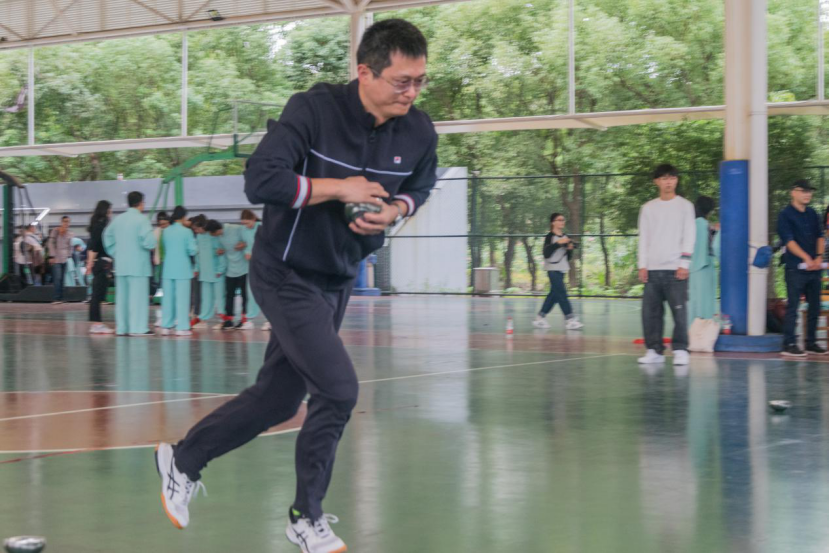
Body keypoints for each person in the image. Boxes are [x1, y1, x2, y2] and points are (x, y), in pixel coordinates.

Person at [155, 19, 438, 553]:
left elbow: (422, 184)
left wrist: (396, 209)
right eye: (402, 81)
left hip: (338, 277)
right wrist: (338, 188)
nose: (412, 92)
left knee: (280, 398)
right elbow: (262, 178)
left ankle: (183, 459)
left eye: (420, 81)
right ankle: (306, 517)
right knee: (338, 389)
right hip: (284, 271)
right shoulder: (313, 110)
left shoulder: (418, 132)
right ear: (365, 72)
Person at [637, 164, 696, 366]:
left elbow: (689, 235)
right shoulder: (648, 208)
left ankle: (680, 349)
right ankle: (654, 350)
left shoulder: (685, 206)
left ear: (676, 180)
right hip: (652, 269)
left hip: (675, 269)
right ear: (656, 182)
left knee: (679, 312)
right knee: (650, 313)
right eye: (664, 178)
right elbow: (644, 238)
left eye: (671, 178)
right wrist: (642, 265)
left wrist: (684, 264)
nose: (668, 182)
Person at [777, 180, 826, 358]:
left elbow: (820, 236)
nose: (807, 194)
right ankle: (789, 343)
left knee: (815, 306)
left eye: (809, 191)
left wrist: (818, 257)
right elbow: (789, 241)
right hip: (795, 268)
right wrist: (806, 258)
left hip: (814, 268)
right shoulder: (785, 215)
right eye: (803, 191)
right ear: (793, 192)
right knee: (793, 306)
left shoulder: (813, 213)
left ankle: (811, 342)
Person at [103, 191, 157, 336]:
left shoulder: (118, 220)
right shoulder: (142, 220)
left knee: (122, 299)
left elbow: (107, 236)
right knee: (138, 299)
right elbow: (149, 242)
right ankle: (138, 328)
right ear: (140, 203)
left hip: (121, 265)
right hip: (138, 266)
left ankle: (122, 328)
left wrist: (115, 252)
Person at [532, 212, 584, 330]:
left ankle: (540, 318)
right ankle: (570, 319)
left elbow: (568, 257)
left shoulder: (565, 236)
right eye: (559, 220)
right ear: (553, 222)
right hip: (552, 269)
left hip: (562, 268)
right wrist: (558, 244)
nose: (562, 222)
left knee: (554, 295)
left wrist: (570, 249)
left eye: (563, 220)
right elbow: (546, 253)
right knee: (562, 293)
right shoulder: (550, 236)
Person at [160, 206, 198, 337]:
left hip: (168, 269)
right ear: (183, 217)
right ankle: (181, 327)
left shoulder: (165, 231)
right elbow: (192, 250)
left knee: (168, 299)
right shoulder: (186, 232)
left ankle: (166, 326)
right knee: (182, 300)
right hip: (182, 269)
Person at [688, 196, 721, 324]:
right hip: (706, 266)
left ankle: (691, 330)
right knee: (706, 303)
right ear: (709, 210)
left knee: (693, 303)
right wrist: (717, 232)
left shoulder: (692, 224)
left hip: (692, 268)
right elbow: (715, 247)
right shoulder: (706, 225)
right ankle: (705, 330)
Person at [216, 220, 253, 330]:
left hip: (243, 269)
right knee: (229, 295)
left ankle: (244, 319)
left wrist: (245, 245)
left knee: (244, 295)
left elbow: (248, 238)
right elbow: (220, 250)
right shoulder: (219, 238)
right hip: (230, 270)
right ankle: (229, 320)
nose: (215, 235)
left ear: (218, 229)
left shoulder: (236, 228)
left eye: (215, 233)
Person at [190, 220, 227, 329]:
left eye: (198, 229)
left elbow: (222, 254)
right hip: (205, 273)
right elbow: (198, 254)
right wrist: (197, 268)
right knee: (206, 298)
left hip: (217, 274)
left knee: (220, 298)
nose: (197, 231)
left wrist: (220, 270)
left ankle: (223, 320)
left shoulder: (216, 236)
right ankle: (203, 320)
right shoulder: (199, 238)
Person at [239, 209, 270, 331]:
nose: (246, 226)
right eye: (244, 223)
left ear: (253, 219)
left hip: (264, 264)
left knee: (267, 292)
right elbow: (246, 244)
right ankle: (249, 319)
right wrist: (245, 250)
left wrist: (255, 253)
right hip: (251, 265)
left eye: (248, 223)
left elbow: (266, 245)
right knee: (251, 290)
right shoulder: (243, 230)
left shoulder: (262, 228)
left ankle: (269, 320)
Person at [86, 200, 114, 334]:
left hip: (101, 262)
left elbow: (92, 246)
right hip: (102, 262)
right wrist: (90, 263)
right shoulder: (101, 226)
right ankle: (96, 324)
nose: (111, 213)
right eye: (110, 210)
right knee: (97, 294)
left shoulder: (98, 225)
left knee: (98, 294)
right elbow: (95, 247)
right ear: (105, 211)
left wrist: (90, 263)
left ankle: (97, 323)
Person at [47, 216, 74, 304]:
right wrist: (51, 256)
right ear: (61, 222)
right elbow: (51, 244)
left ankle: (61, 298)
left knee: (62, 279)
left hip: (65, 258)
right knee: (57, 278)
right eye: (65, 221)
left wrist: (69, 256)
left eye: (68, 221)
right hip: (56, 258)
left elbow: (70, 246)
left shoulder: (70, 233)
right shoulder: (55, 231)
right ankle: (56, 298)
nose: (66, 223)